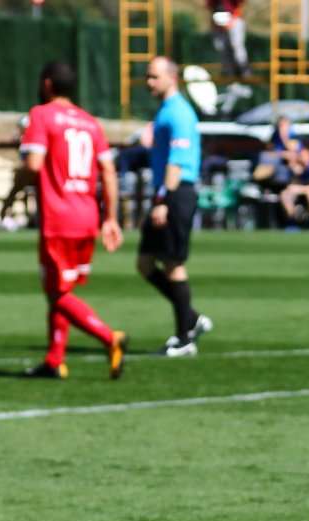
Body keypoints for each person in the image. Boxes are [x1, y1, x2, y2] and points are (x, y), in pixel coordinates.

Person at [18, 61, 127, 380]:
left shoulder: (41, 115)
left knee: (58, 294)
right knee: (62, 290)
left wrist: (12, 191)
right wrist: (111, 218)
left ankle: (110, 338)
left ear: (46, 85)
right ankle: (54, 360)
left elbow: (33, 164)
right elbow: (109, 171)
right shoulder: (90, 122)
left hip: (58, 218)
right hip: (87, 217)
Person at [139, 57, 212, 357]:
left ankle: (185, 339)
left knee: (173, 263)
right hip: (165, 192)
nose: (149, 82)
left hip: (175, 194)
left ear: (171, 77)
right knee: (145, 263)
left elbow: (177, 163)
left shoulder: (179, 112)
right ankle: (190, 318)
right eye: (147, 76)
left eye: (154, 76)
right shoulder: (165, 111)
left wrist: (162, 201)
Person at [209, 0, 250, 78]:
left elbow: (240, 5)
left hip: (233, 19)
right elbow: (210, 6)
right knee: (222, 50)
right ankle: (228, 74)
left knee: (236, 45)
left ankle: (244, 70)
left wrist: (232, 20)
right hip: (217, 23)